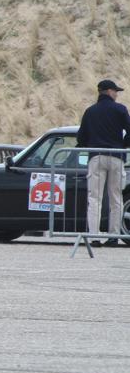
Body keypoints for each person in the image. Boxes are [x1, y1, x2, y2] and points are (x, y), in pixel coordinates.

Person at [76, 78, 130, 247]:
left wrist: (90, 145)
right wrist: (123, 145)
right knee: (116, 197)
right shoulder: (120, 109)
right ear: (108, 91)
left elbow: (81, 137)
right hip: (116, 156)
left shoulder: (90, 111)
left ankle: (94, 237)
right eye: (115, 91)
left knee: (95, 198)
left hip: (96, 157)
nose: (116, 94)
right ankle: (113, 236)